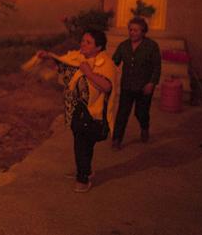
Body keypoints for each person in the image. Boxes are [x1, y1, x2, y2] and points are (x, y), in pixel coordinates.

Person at [38, 29, 117, 193]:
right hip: (77, 110)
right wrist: (48, 57)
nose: (83, 44)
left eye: (88, 42)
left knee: (82, 145)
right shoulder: (79, 59)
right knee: (82, 144)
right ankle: (86, 171)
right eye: (83, 40)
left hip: (93, 113)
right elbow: (62, 67)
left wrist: (88, 73)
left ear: (99, 47)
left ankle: (83, 178)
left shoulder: (105, 62)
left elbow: (107, 86)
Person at [111, 17, 161, 149]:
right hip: (127, 85)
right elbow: (114, 62)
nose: (132, 32)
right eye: (131, 30)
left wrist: (152, 83)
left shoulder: (151, 46)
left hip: (144, 86)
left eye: (136, 30)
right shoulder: (123, 46)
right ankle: (117, 139)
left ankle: (144, 127)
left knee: (141, 113)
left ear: (143, 32)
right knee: (122, 113)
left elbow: (157, 67)